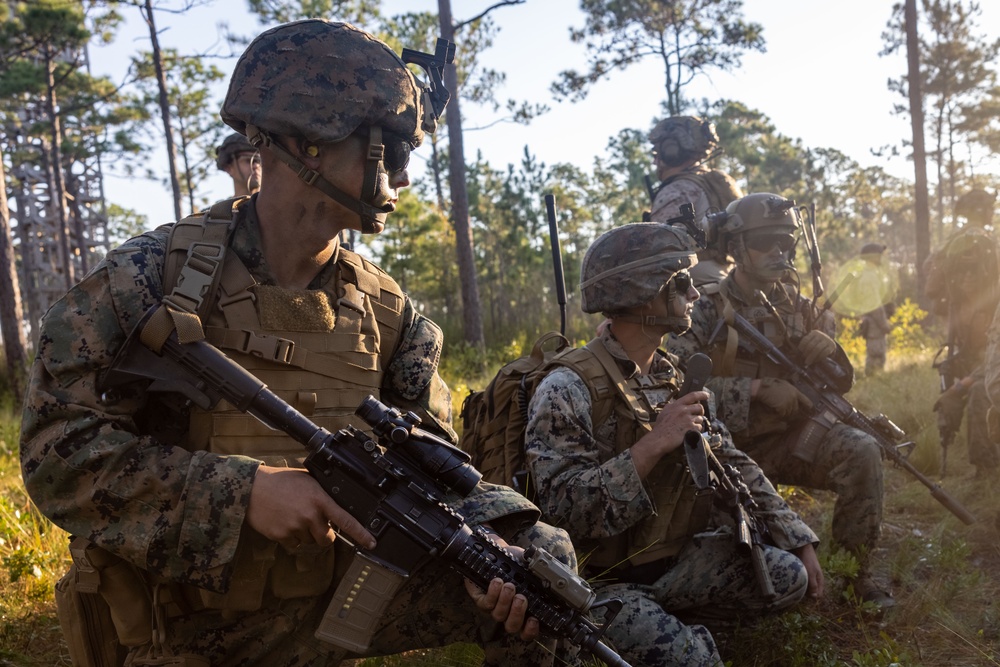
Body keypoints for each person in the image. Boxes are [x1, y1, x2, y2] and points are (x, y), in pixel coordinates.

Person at [20, 20, 579, 667]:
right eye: (389, 149)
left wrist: (493, 546)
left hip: (328, 594)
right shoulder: (151, 278)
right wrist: (240, 492)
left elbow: (433, 466)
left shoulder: (390, 310)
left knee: (542, 570)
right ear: (308, 144)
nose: (402, 176)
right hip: (189, 625)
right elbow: (53, 449)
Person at [525, 222, 822, 666]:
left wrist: (797, 537)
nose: (696, 295)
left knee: (788, 577)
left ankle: (662, 625)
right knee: (696, 661)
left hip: (674, 561)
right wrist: (653, 444)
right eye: (681, 283)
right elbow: (562, 510)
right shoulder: (567, 386)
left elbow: (730, 460)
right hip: (601, 580)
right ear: (642, 291)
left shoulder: (675, 374)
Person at [666, 192, 895, 608]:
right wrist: (752, 390)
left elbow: (834, 384)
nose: (778, 252)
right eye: (765, 242)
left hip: (788, 442)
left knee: (862, 449)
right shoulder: (704, 309)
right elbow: (670, 383)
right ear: (735, 248)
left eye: (786, 243)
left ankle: (853, 574)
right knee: (729, 545)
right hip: (726, 452)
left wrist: (832, 353)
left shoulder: (803, 310)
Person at [925, 188, 1000, 479]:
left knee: (978, 391)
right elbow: (935, 290)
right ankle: (983, 467)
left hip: (976, 337)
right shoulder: (983, 243)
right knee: (976, 393)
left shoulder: (952, 245)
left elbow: (932, 289)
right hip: (974, 337)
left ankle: (985, 467)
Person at [647, 115, 744, 287]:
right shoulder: (716, 183)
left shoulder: (677, 189)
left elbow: (662, 253)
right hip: (729, 280)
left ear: (672, 151)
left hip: (693, 289)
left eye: (658, 153)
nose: (655, 161)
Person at [857, 243, 895, 375]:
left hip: (875, 322)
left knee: (877, 356)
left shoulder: (873, 275)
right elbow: (874, 305)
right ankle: (872, 385)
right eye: (879, 255)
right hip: (874, 323)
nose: (881, 258)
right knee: (876, 357)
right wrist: (884, 324)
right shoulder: (869, 277)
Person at [215, 131, 262, 196]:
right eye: (248, 161)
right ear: (229, 168)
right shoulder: (223, 206)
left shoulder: (278, 205)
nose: (256, 166)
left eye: (259, 161)